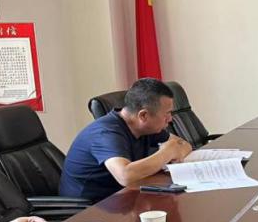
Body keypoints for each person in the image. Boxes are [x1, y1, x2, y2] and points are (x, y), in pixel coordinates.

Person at [60, 78, 192, 202]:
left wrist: (174, 151)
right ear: (143, 115)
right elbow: (125, 176)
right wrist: (167, 153)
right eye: (167, 113)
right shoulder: (106, 133)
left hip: (120, 198)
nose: (170, 119)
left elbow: (184, 144)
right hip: (88, 208)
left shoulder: (146, 127)